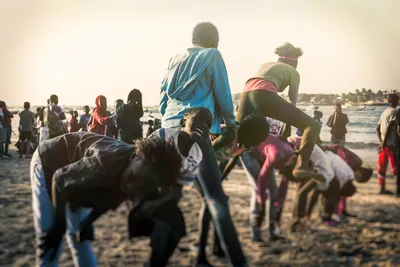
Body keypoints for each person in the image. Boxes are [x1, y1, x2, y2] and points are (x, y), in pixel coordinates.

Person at [159, 22, 247, 266]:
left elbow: (163, 98)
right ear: (214, 41)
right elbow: (223, 94)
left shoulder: (174, 59)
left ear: (193, 39)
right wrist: (232, 123)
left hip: (167, 131)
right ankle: (238, 262)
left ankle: (194, 258)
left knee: (170, 197)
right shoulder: (212, 55)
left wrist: (170, 124)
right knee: (216, 199)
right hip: (195, 129)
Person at [31, 132, 182, 266]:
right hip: (49, 162)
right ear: (137, 155)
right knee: (49, 237)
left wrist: (88, 221)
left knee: (81, 237)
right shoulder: (104, 160)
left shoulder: (140, 178)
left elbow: (108, 201)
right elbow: (60, 178)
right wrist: (60, 222)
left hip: (79, 177)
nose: (131, 186)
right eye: (134, 177)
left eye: (141, 188)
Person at [236, 42, 321, 181]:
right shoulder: (292, 71)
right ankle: (302, 165)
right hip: (263, 94)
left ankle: (219, 162)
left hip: (244, 95)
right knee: (312, 125)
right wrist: (285, 133)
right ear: (292, 62)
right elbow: (291, 103)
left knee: (237, 136)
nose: (296, 67)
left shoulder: (265, 65)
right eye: (297, 64)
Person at [287, 135, 335, 231]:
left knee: (302, 193)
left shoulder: (302, 146)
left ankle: (301, 220)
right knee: (306, 194)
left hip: (323, 175)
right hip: (325, 173)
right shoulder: (304, 143)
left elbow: (299, 157)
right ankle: (302, 219)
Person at [376, 94, 399, 195]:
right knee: (396, 167)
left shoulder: (384, 112)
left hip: (383, 144)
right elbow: (390, 127)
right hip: (391, 144)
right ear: (396, 101)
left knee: (382, 166)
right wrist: (385, 142)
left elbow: (377, 128)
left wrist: (381, 142)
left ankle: (382, 189)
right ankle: (398, 191)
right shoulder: (395, 111)